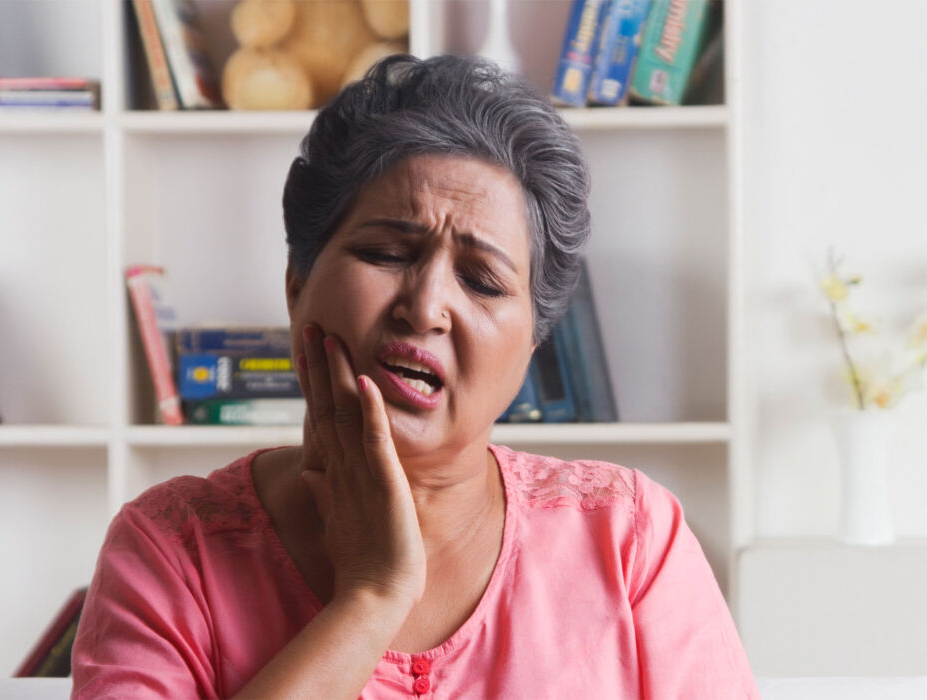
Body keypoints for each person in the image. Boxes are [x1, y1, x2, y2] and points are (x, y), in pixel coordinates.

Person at [71, 54, 759, 699]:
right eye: (386, 252)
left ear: (532, 344)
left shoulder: (628, 539)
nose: (426, 307)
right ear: (296, 283)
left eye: (482, 281)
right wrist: (371, 597)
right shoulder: (171, 550)